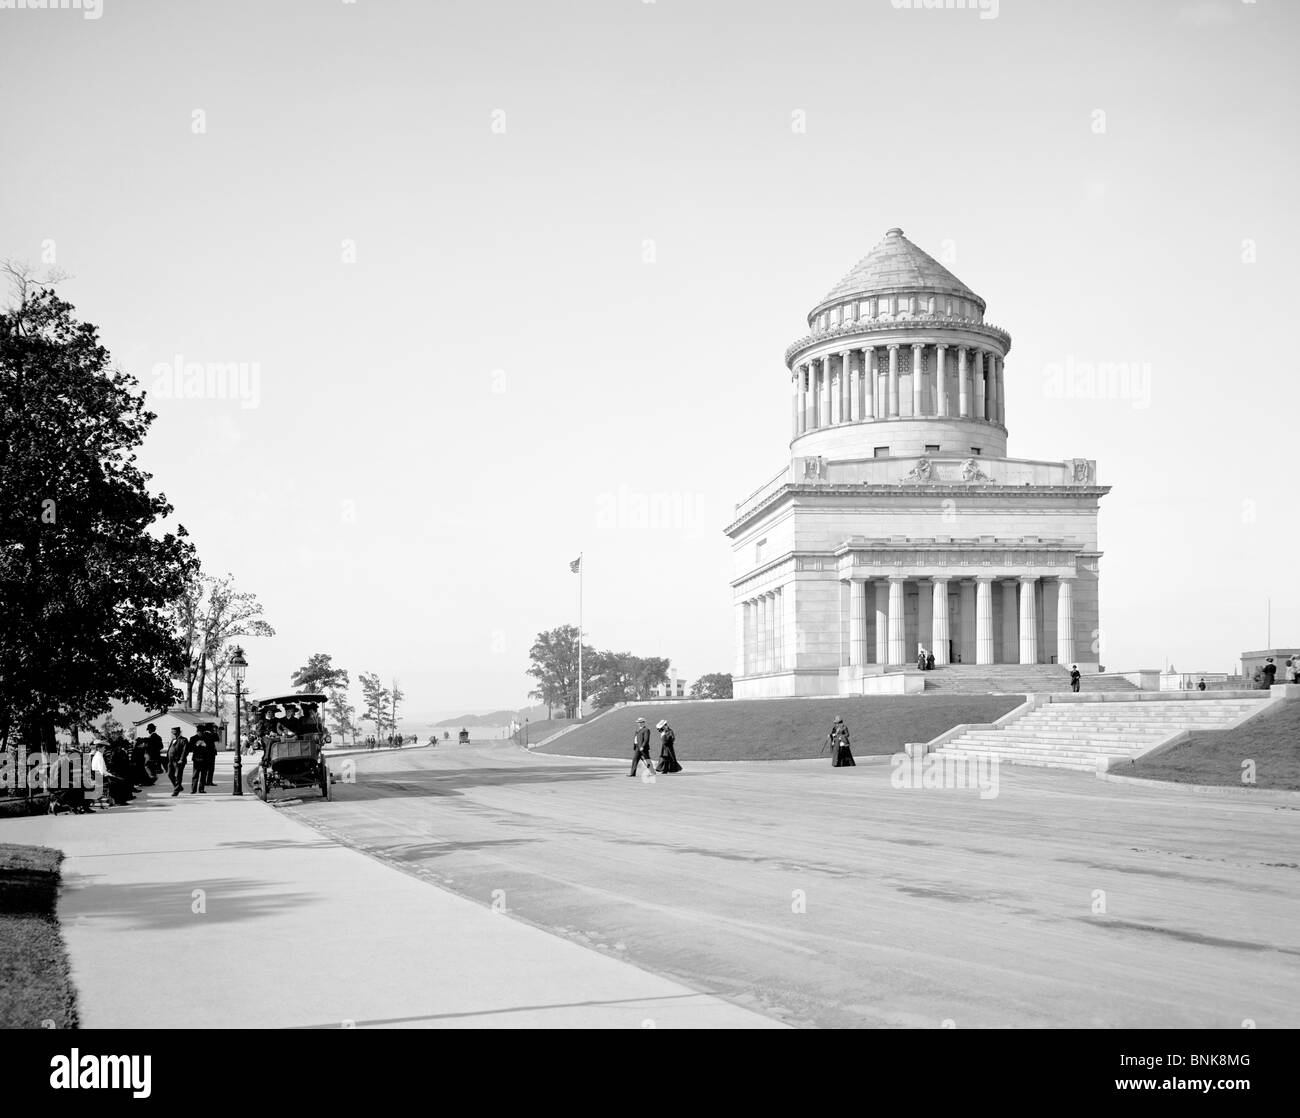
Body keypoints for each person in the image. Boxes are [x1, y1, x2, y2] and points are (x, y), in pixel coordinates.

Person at [166, 728, 190, 796]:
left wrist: (181, 759)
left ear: (179, 732)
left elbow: (185, 751)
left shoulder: (184, 740)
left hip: (178, 761)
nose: (173, 733)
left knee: (178, 776)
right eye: (172, 732)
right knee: (169, 774)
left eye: (175, 732)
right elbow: (170, 750)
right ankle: (179, 787)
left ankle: (176, 790)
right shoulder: (173, 740)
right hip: (171, 761)